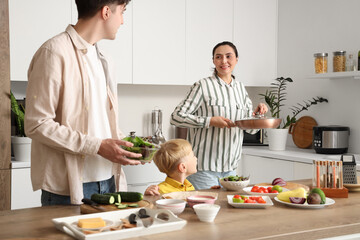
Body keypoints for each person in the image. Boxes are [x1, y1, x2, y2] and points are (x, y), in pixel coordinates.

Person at [24, 0, 142, 206]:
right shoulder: (53, 52)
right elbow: (36, 124)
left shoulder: (105, 59)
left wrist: (127, 146)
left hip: (109, 180)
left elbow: (100, 120)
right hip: (68, 188)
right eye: (122, 12)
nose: (122, 21)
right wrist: (97, 146)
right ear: (106, 12)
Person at [169, 41, 268, 190]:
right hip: (203, 170)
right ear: (213, 60)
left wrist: (258, 116)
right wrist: (210, 121)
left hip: (231, 170)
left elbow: (251, 130)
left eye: (229, 56)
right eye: (218, 57)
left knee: (228, 213)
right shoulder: (203, 86)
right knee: (204, 211)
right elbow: (176, 116)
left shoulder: (240, 89)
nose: (224, 61)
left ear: (236, 59)